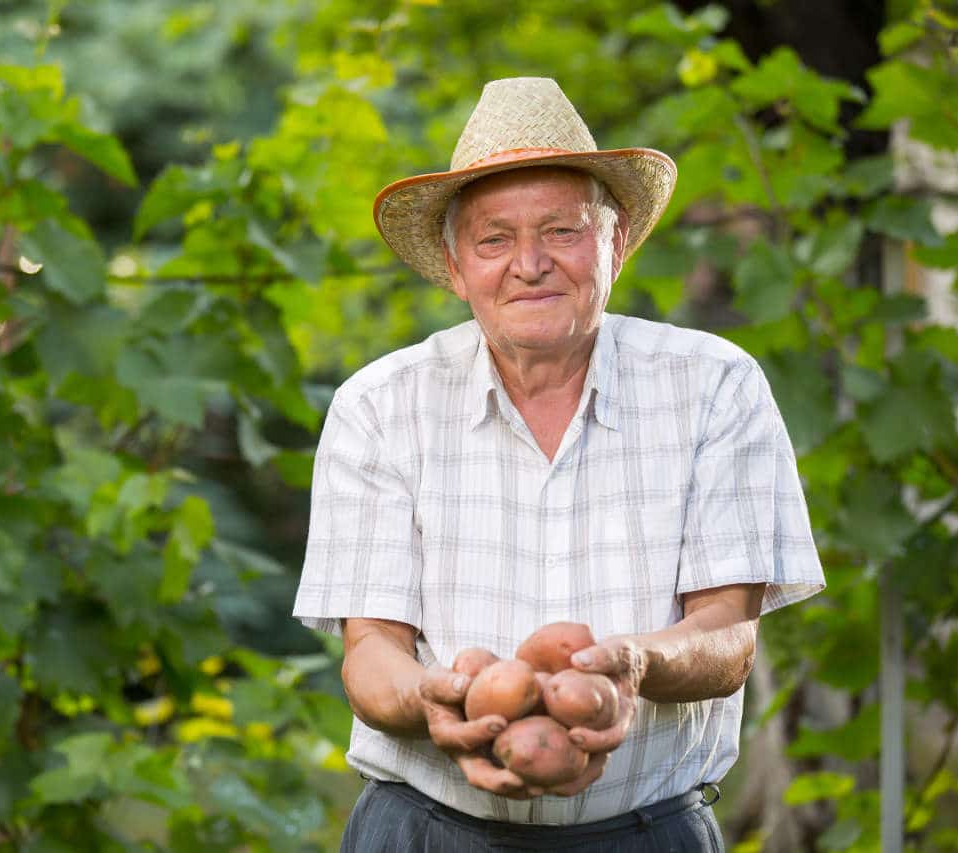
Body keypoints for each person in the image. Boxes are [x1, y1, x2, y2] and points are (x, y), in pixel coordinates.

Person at [292, 77, 826, 851]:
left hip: (647, 833)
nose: (530, 264)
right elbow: (371, 653)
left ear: (614, 244)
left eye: (562, 231)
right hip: (423, 831)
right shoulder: (379, 405)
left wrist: (633, 663)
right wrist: (441, 698)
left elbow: (726, 636)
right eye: (494, 239)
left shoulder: (715, 386)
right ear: (455, 263)